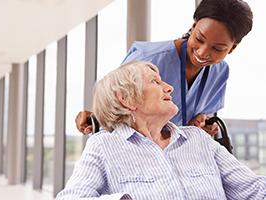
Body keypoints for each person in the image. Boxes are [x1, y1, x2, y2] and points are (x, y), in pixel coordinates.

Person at [57, 61, 266, 200]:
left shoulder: (197, 139)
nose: (169, 87)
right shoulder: (104, 145)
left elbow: (254, 190)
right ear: (126, 99)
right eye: (155, 82)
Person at [75, 0, 253, 136]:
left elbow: (203, 116)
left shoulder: (220, 72)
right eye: (199, 38)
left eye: (217, 49)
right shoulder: (148, 59)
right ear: (193, 26)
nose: (203, 52)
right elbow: (114, 111)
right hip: (137, 158)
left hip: (179, 161)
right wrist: (96, 119)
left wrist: (201, 125)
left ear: (232, 48)